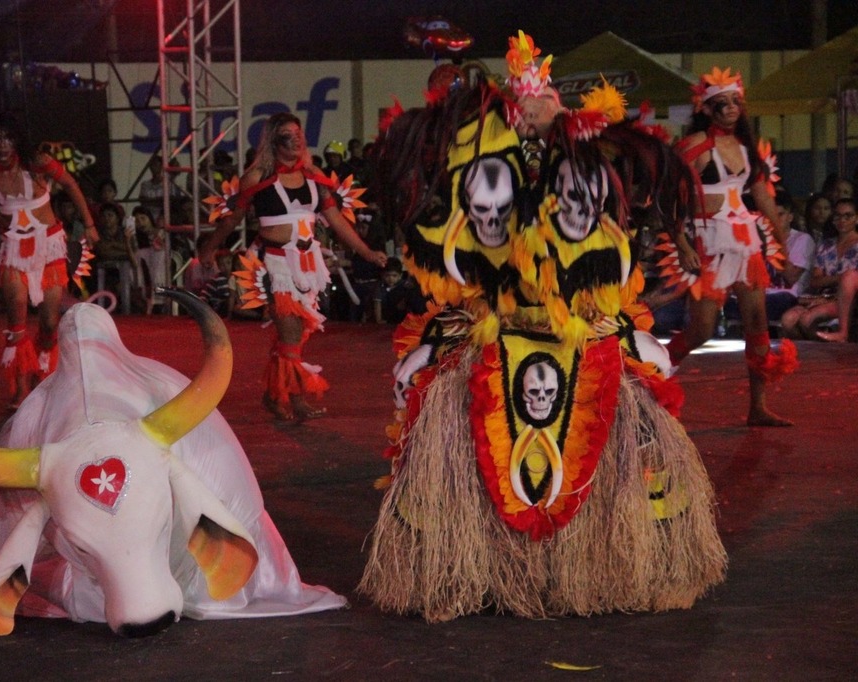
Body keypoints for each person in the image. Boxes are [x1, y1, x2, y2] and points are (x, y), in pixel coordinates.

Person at [360, 31, 725, 623]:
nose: (531, 123)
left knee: (638, 430)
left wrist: (633, 338)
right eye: (521, 111)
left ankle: (605, 564)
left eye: (542, 110)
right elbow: (462, 273)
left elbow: (604, 271)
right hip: (493, 335)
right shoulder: (482, 176)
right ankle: (477, 569)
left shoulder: (580, 177)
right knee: (445, 427)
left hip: (582, 335)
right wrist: (429, 346)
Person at [200, 112, 388, 421]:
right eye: (289, 135)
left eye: (299, 134)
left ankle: (273, 396)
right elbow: (233, 218)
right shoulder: (257, 177)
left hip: (308, 264)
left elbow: (336, 220)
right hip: (274, 265)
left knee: (296, 336)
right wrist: (208, 249)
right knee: (289, 337)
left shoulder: (314, 176)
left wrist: (366, 252)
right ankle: (297, 399)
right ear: (274, 141)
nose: (298, 140)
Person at [665, 67, 796, 427]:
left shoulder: (745, 148)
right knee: (702, 329)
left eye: (735, 101)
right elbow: (669, 198)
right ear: (705, 109)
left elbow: (763, 199)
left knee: (757, 322)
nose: (729, 108)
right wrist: (681, 243)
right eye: (720, 103)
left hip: (745, 242)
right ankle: (653, 375)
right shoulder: (693, 147)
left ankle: (758, 406)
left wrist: (783, 246)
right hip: (709, 242)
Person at [0, 111, 99, 409]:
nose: (2, 145)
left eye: (8, 138)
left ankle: (43, 379)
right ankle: (21, 389)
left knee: (49, 323)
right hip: (12, 252)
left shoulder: (37, 163)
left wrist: (88, 224)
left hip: (49, 249)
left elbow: (72, 185)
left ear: (17, 139)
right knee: (17, 325)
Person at [725, 187, 815, 326]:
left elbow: (791, 277)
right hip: (758, 293)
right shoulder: (757, 237)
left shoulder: (802, 239)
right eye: (769, 215)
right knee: (727, 301)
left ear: (790, 216)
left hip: (785, 295)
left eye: (780, 215)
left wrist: (772, 244)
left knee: (763, 305)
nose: (774, 220)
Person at [779, 197, 858, 342]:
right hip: (822, 296)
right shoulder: (826, 245)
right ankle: (809, 356)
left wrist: (841, 279)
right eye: (838, 216)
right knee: (788, 320)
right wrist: (838, 279)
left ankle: (838, 343)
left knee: (807, 319)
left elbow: (851, 279)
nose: (842, 220)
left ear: (856, 218)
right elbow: (815, 281)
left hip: (849, 300)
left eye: (848, 215)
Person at [131, 205, 167, 314]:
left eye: (143, 218)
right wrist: (129, 240)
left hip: (164, 269)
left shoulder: (161, 232)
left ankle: (159, 296)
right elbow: (133, 259)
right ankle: (144, 296)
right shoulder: (136, 238)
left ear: (150, 218)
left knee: (158, 254)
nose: (140, 223)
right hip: (146, 273)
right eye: (136, 220)